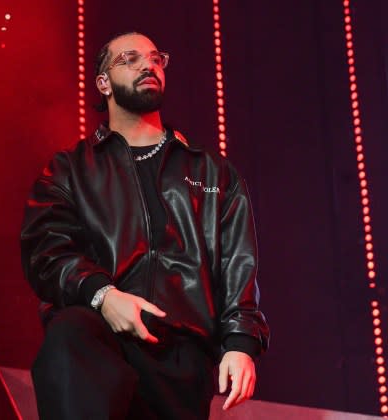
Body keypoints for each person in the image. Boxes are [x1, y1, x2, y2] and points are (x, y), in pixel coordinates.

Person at [20, 32, 269, 420]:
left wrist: (240, 343)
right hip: (101, 336)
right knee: (69, 331)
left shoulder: (212, 172)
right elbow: (47, 251)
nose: (147, 65)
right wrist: (103, 294)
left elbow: (239, 263)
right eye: (130, 59)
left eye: (155, 58)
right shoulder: (70, 170)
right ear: (103, 83)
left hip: (182, 354)